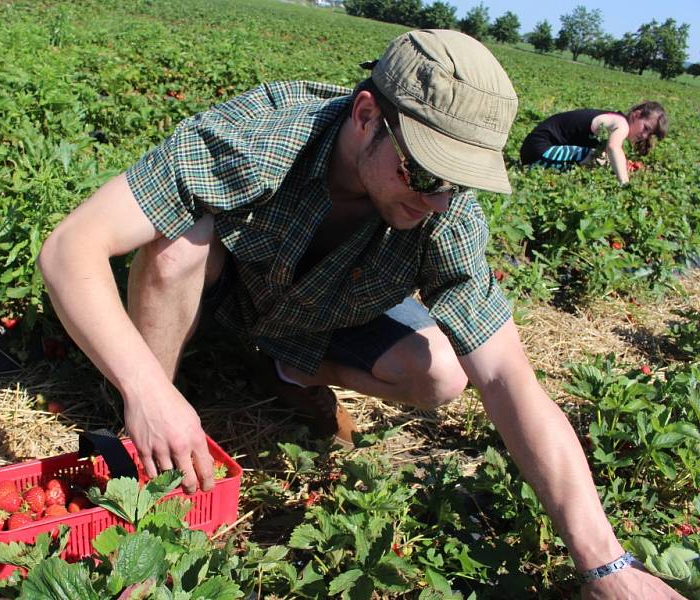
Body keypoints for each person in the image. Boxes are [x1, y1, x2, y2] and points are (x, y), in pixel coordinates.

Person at [37, 29, 683, 598]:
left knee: (443, 374)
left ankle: (294, 372)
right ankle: (151, 437)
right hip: (228, 294)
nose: (438, 200)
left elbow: (512, 381)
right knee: (177, 247)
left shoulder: (444, 211)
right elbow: (71, 248)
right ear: (367, 115)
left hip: (321, 315)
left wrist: (607, 563)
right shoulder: (263, 136)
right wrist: (147, 389)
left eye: (457, 180)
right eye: (424, 172)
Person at [519, 103, 668, 185]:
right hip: (539, 152)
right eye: (646, 128)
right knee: (599, 160)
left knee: (602, 160)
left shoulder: (615, 119)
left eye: (650, 134)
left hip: (532, 149)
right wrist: (625, 183)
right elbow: (613, 148)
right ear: (636, 114)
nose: (644, 135)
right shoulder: (621, 123)